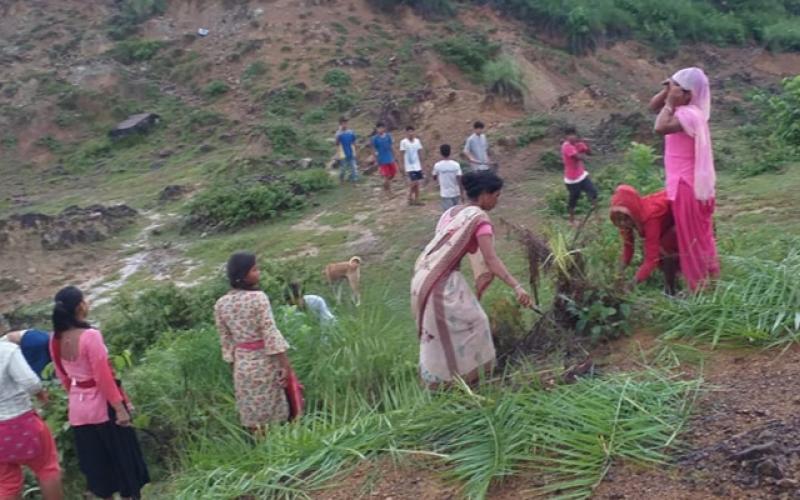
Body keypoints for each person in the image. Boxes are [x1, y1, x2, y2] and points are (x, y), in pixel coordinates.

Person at [410, 171, 533, 388]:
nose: (497, 200)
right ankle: (468, 379)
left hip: (422, 276)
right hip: (442, 283)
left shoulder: (452, 212)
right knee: (477, 323)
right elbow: (491, 260)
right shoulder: (480, 220)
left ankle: (443, 380)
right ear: (485, 194)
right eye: (496, 195)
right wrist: (517, 286)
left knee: (438, 332)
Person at [49, 286, 149, 500]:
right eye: (84, 300)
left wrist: (77, 396)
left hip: (78, 409)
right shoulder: (90, 336)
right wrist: (120, 408)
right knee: (123, 460)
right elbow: (103, 376)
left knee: (97, 465)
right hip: (103, 406)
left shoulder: (55, 340)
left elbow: (63, 376)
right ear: (79, 307)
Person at [650, 67, 719, 291]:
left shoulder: (687, 115)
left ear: (688, 94)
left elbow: (659, 127)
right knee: (700, 235)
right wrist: (667, 92)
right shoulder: (691, 112)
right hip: (688, 185)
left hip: (686, 187)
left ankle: (700, 288)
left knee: (692, 239)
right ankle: (709, 282)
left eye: (677, 88)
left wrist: (670, 102)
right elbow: (652, 107)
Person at [214, 252, 296, 433]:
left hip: (242, 366)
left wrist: (235, 368)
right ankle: (282, 450)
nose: (258, 273)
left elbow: (226, 341)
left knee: (253, 414)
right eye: (254, 269)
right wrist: (284, 363)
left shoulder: (221, 304)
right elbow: (270, 331)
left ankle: (262, 452)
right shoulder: (258, 298)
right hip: (265, 362)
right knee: (275, 413)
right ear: (243, 274)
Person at [0, 337, 63, 500]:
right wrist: (41, 394)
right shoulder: (6, 350)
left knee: (6, 484)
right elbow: (30, 382)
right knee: (46, 468)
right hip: (20, 423)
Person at [610, 185, 680, 295]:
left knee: (664, 248)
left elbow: (651, 258)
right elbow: (628, 248)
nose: (623, 223)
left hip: (681, 219)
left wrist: (632, 284)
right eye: (619, 220)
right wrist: (617, 274)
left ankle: (670, 291)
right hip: (665, 227)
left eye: (625, 219)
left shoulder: (650, 218)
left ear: (632, 213)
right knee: (660, 252)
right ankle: (673, 278)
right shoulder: (626, 221)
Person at [560, 126, 598, 225]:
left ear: (576, 135)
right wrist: (582, 151)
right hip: (572, 179)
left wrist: (586, 145)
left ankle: (596, 216)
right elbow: (577, 157)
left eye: (574, 135)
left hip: (581, 175)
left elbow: (590, 153)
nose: (572, 137)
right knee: (574, 200)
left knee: (593, 192)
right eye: (569, 135)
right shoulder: (566, 146)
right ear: (566, 137)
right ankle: (572, 221)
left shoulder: (579, 144)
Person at [432, 144, 464, 212]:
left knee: (448, 213)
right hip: (456, 192)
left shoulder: (437, 165)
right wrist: (462, 193)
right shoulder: (456, 165)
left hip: (445, 194)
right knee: (457, 213)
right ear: (450, 152)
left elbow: (434, 177)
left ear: (440, 153)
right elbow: (460, 180)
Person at [399, 126, 424, 206]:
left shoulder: (417, 141)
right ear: (406, 133)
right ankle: (409, 197)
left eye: (412, 131)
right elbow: (401, 154)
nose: (410, 133)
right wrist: (401, 165)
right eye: (409, 132)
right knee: (414, 182)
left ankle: (417, 199)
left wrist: (422, 163)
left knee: (417, 183)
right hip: (409, 166)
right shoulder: (404, 142)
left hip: (417, 165)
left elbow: (419, 152)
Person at [371, 122, 397, 196]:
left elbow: (391, 146)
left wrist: (395, 155)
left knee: (393, 173)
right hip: (382, 159)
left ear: (384, 128)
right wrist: (375, 159)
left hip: (390, 158)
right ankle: (389, 192)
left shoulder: (388, 136)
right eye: (379, 128)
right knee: (386, 175)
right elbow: (373, 149)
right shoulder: (375, 138)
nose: (381, 129)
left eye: (382, 128)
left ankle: (385, 185)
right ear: (377, 129)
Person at [335, 117, 359, 183]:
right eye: (343, 123)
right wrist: (339, 134)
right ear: (340, 124)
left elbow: (354, 141)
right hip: (343, 153)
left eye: (346, 123)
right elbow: (336, 143)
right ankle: (341, 178)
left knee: (354, 167)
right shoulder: (338, 133)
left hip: (351, 152)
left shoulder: (351, 132)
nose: (345, 124)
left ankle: (354, 181)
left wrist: (356, 151)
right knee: (343, 168)